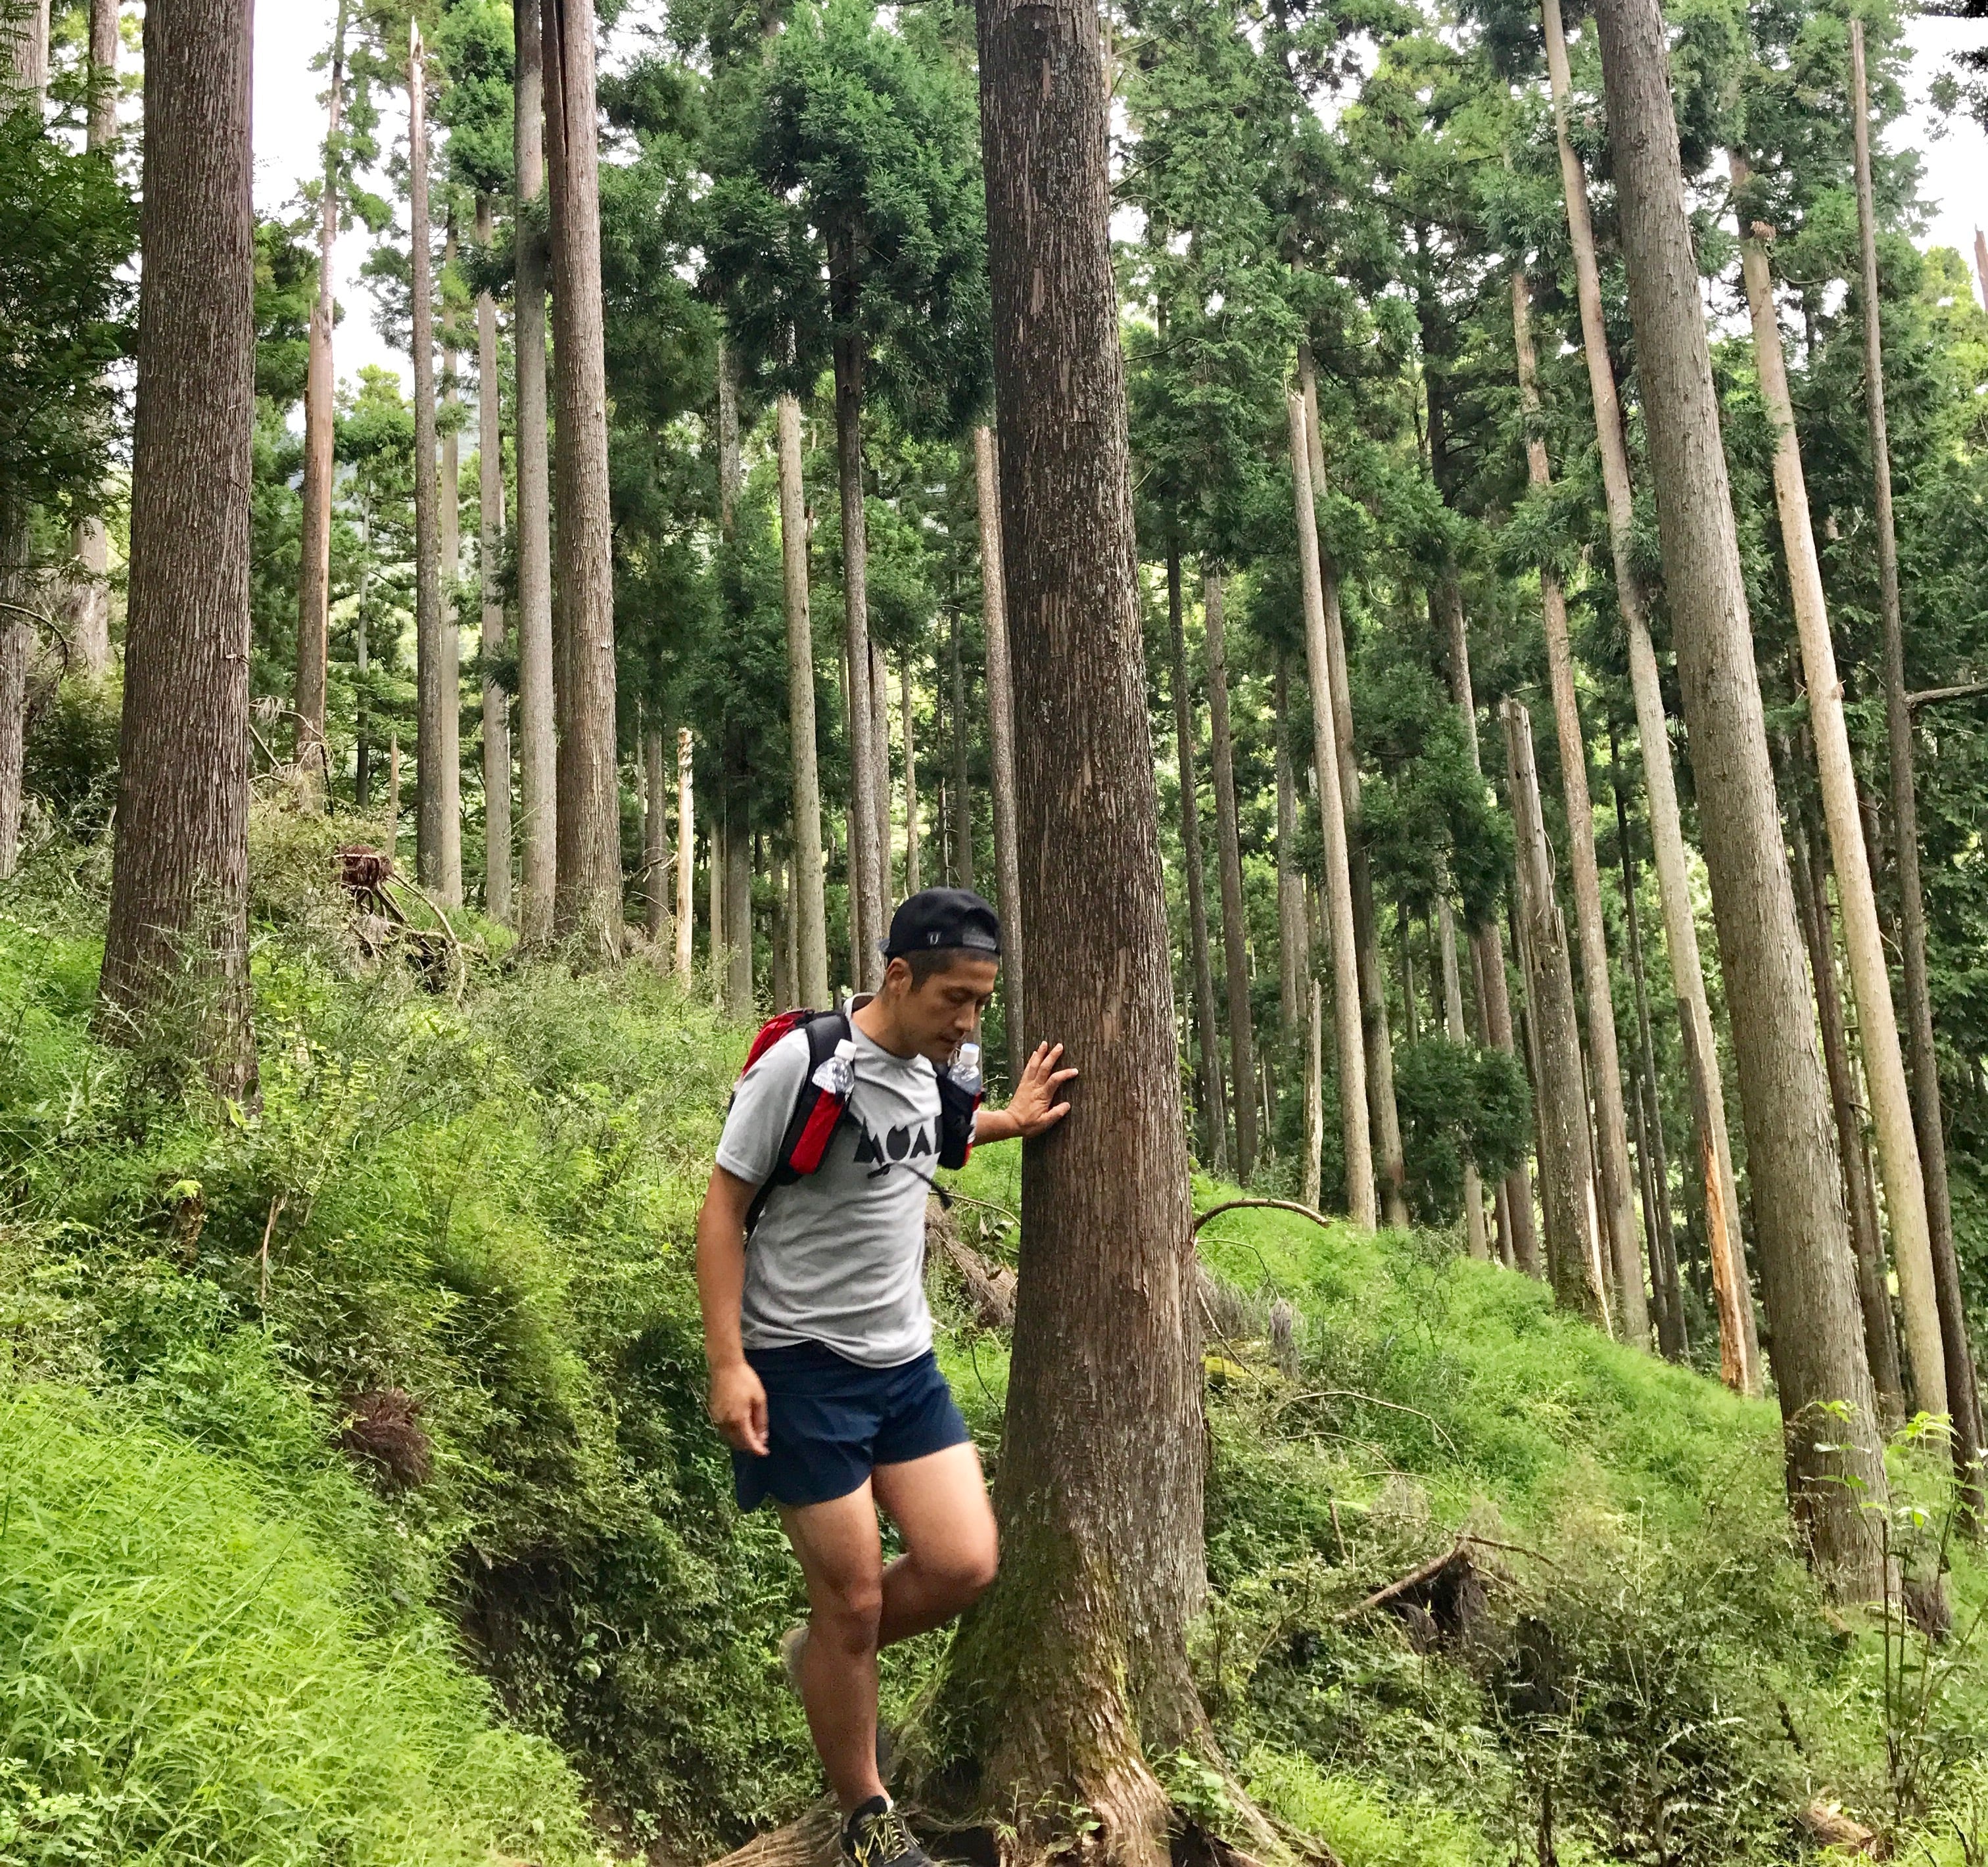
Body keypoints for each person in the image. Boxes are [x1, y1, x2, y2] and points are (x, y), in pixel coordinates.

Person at [696, 887, 1074, 1867]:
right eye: (955, 998)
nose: (969, 1021)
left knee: (964, 1564)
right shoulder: (804, 1064)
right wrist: (729, 1363)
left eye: (982, 1002)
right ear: (898, 977)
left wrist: (1012, 1119)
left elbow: (935, 1138)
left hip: (904, 1365)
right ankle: (867, 1816)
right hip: (799, 1366)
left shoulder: (941, 1074)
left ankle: (825, 1648)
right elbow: (723, 1209)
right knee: (857, 1600)